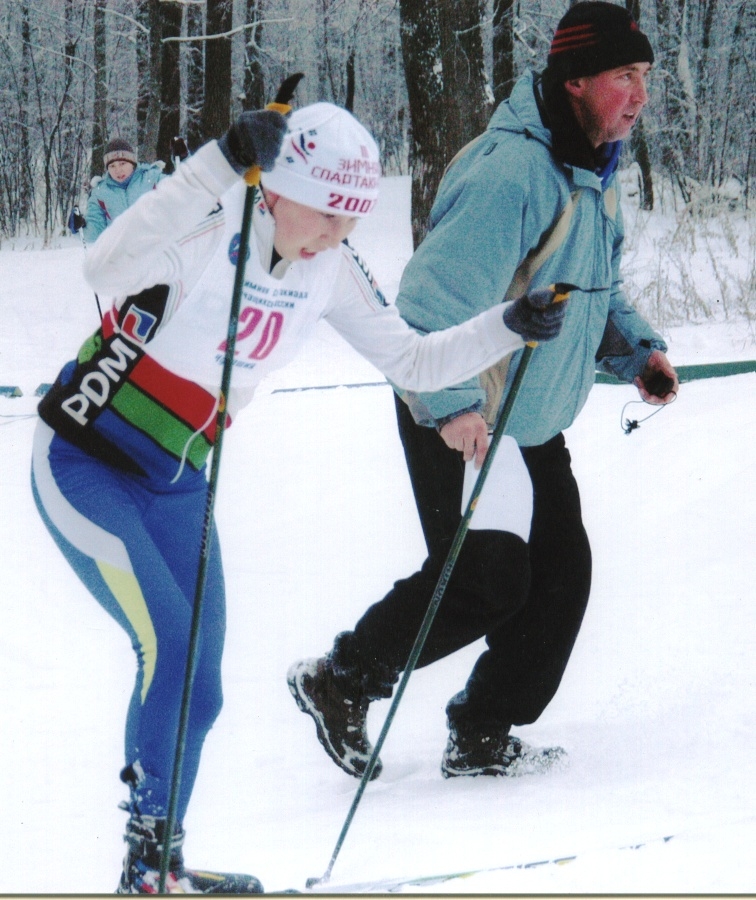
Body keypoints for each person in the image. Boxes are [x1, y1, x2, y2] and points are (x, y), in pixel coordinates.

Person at [32, 100, 568, 893]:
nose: (333, 238)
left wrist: (508, 323)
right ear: (276, 189)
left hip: (178, 484)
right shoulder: (212, 223)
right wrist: (217, 159)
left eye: (352, 223)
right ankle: (144, 876)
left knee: (201, 683)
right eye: (325, 215)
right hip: (86, 464)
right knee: (172, 653)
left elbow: (414, 362)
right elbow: (103, 266)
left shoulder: (330, 269)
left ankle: (160, 866)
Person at [287, 1, 679, 784]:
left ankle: (482, 731)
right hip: (462, 412)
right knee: (489, 578)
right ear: (574, 83)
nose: (638, 94)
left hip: (530, 422)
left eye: (644, 77)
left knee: (560, 586)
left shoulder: (592, 170)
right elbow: (431, 302)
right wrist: (454, 408)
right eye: (622, 77)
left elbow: (588, 289)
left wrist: (638, 351)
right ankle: (340, 678)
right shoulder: (512, 172)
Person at [69, 138, 165, 243]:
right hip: (124, 254)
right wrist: (80, 226)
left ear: (132, 163)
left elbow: (182, 190)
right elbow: (95, 233)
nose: (118, 170)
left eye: (122, 163)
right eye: (112, 166)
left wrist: (183, 158)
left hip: (158, 249)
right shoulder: (101, 193)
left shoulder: (153, 179)